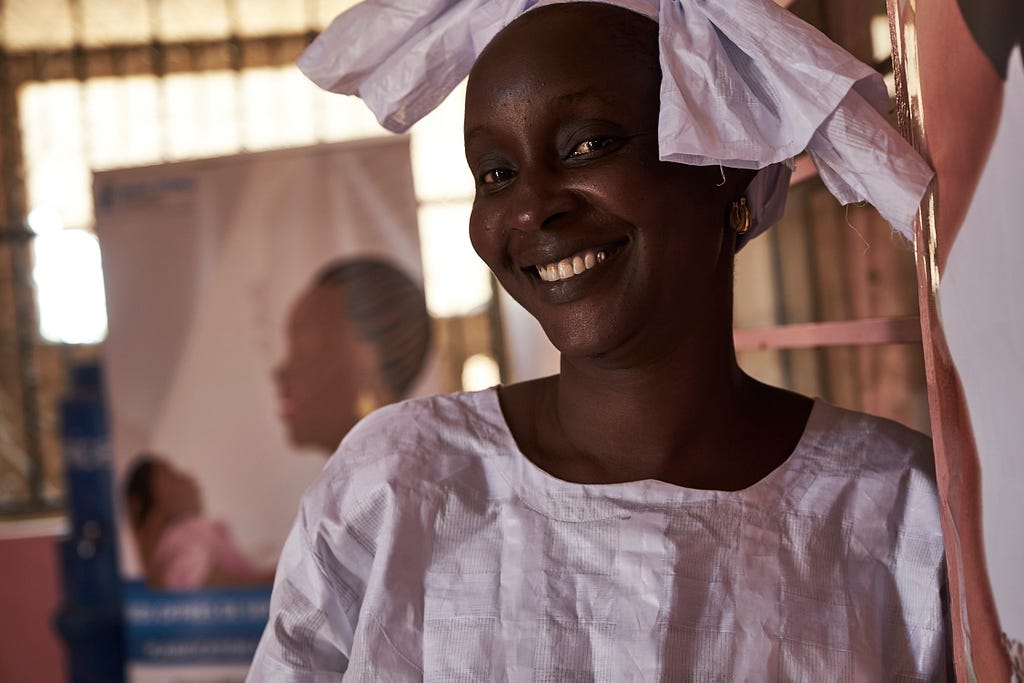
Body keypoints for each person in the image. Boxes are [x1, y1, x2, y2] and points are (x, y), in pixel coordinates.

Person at [248, 1, 947, 679]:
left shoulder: (897, 513)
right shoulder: (399, 486)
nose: (529, 205)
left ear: (724, 164)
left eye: (589, 144)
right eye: (495, 173)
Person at [274, 258, 431, 453]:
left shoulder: (399, 480)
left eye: (304, 350)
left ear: (366, 362)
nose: (280, 373)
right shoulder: (357, 477)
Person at [124, 454, 276, 590]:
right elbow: (204, 580)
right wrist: (271, 582)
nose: (188, 477)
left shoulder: (188, 535)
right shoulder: (179, 537)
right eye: (171, 476)